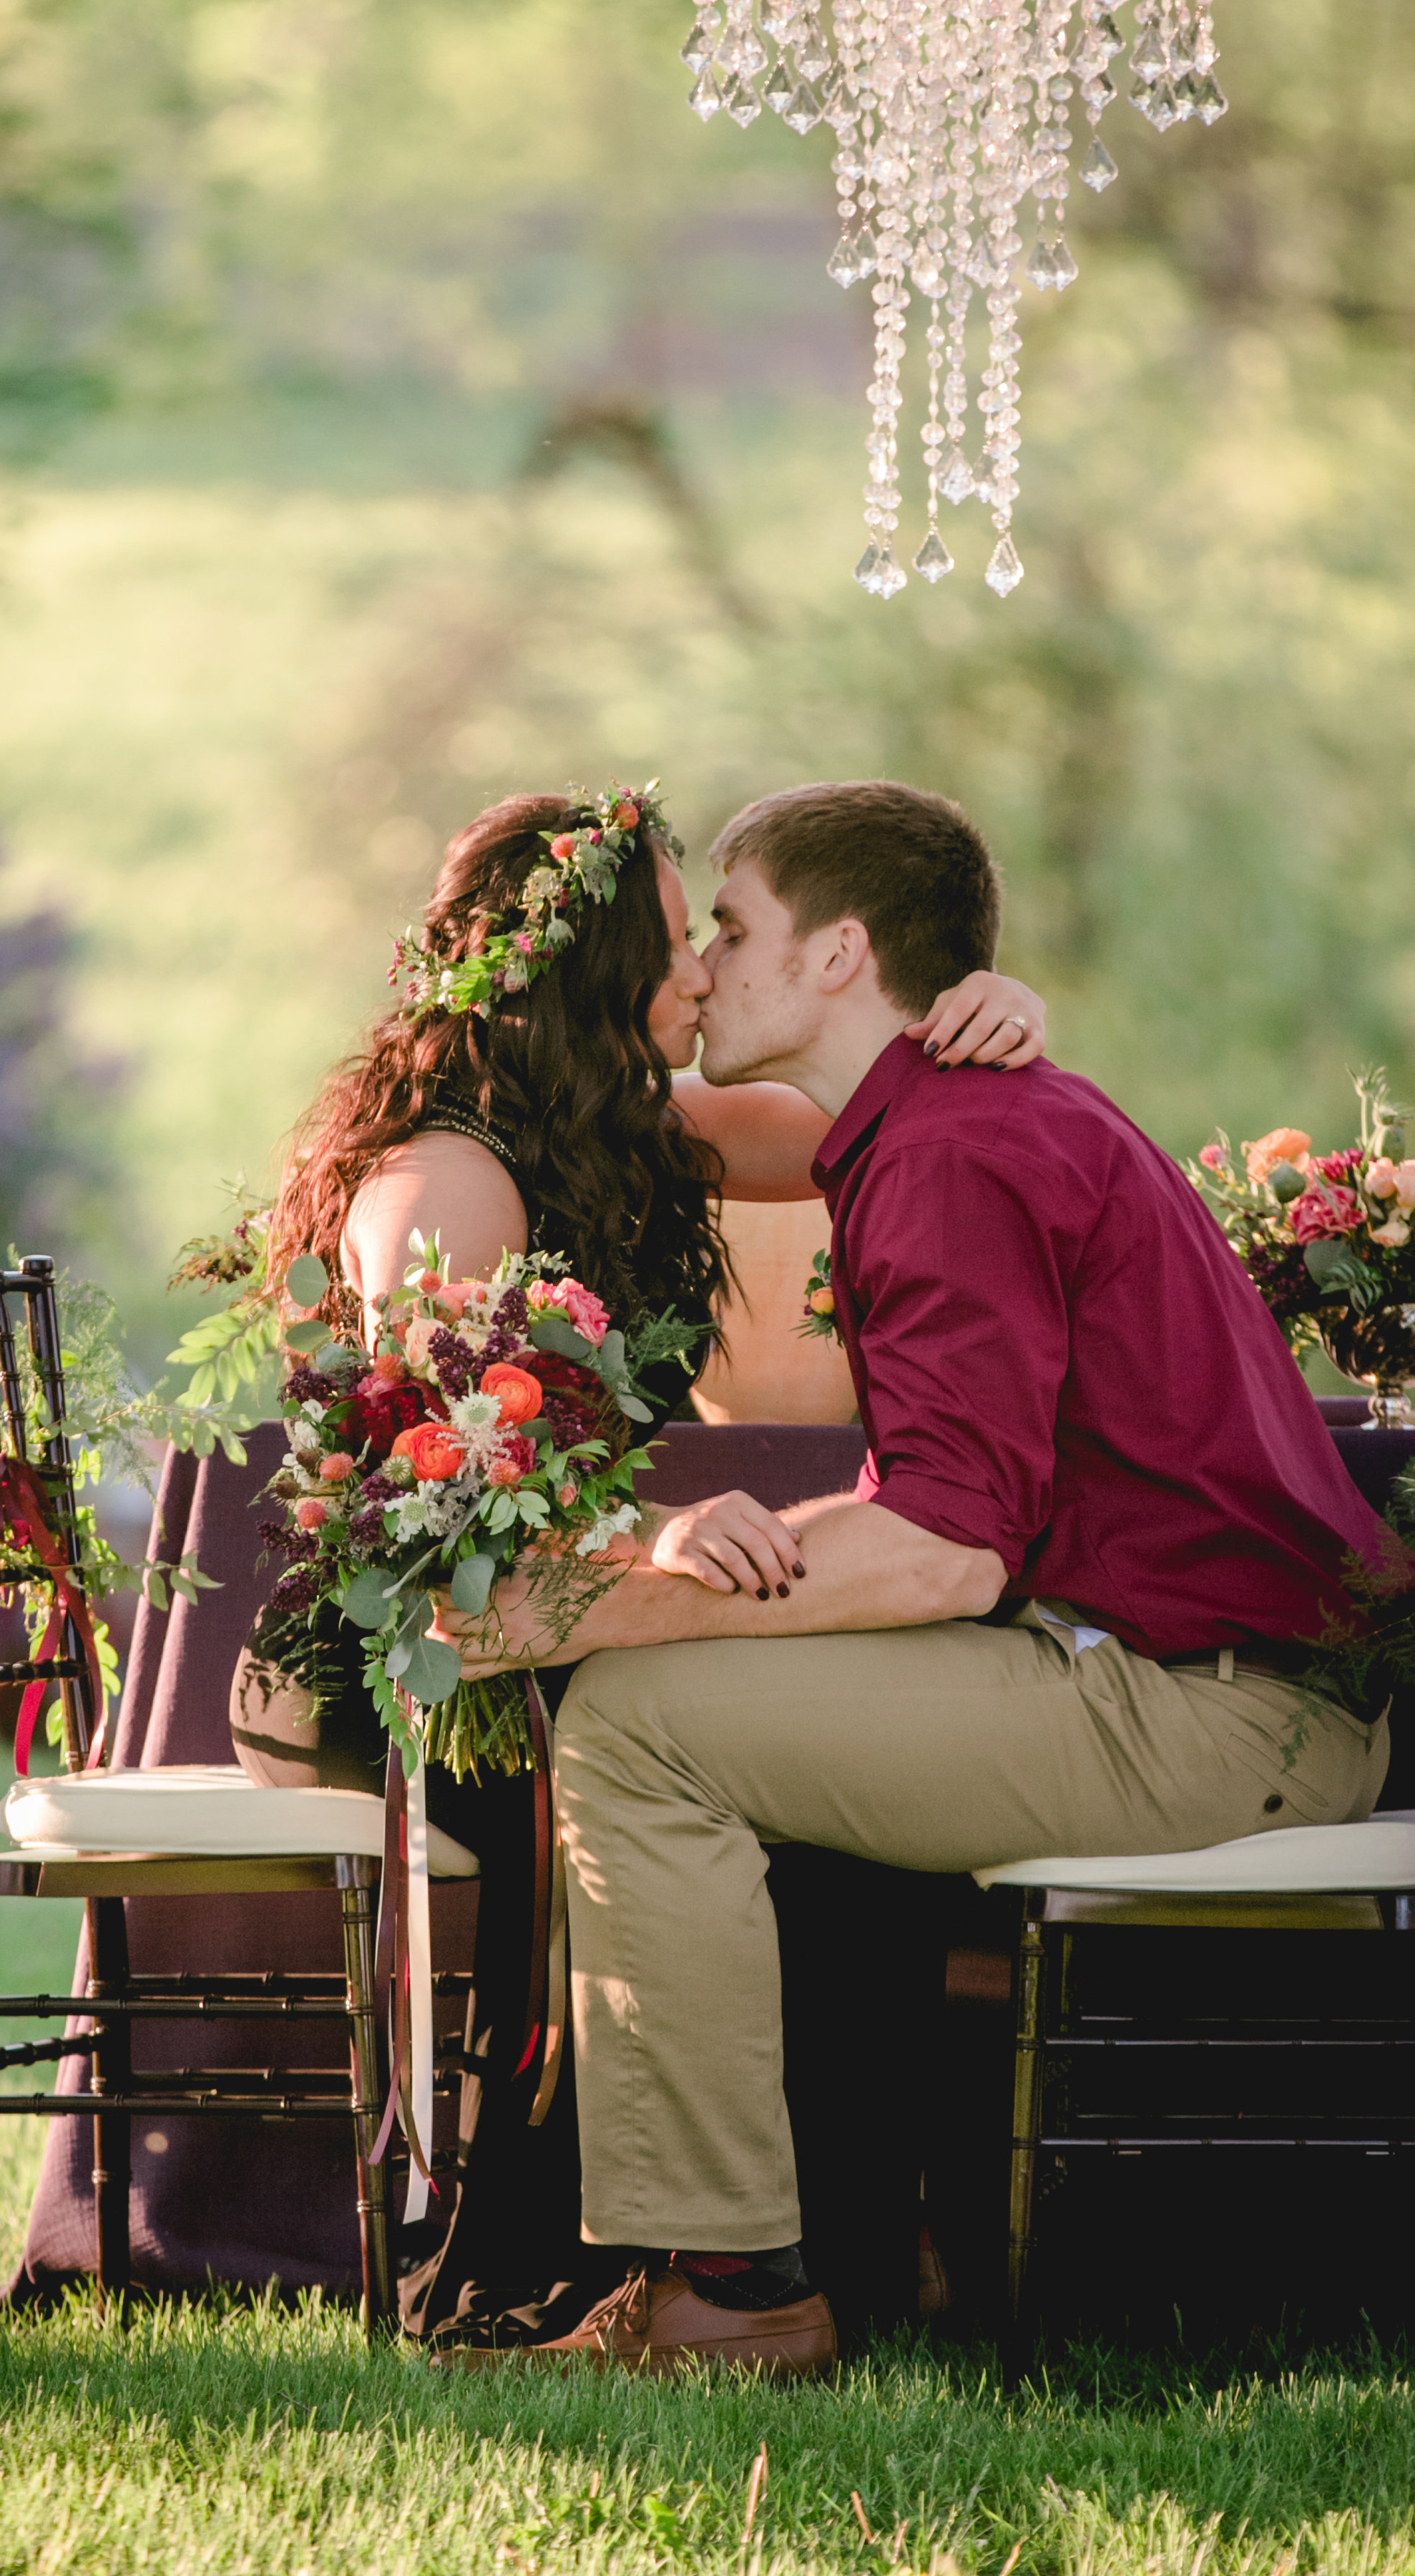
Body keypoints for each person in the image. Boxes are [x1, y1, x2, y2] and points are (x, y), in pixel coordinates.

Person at [440, 779, 1396, 2378]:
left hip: (1220, 1709)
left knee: (632, 1723)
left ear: (839, 957)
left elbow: (951, 1548)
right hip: (1191, 1684)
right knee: (662, 1703)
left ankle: (736, 2302)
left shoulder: (952, 1150)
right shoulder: (943, 1124)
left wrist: (583, 1599)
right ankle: (772, 2271)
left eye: (731, 930)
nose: (708, 969)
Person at [253, 783, 1047, 2343]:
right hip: (404, 1661)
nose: (705, 977)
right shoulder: (445, 1186)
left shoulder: (627, 1129)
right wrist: (658, 1537)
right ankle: (689, 2266)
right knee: (704, 1781)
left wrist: (983, 1006)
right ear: (597, 967)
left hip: (564, 1617)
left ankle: (842, 2252)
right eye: (684, 945)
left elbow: (856, 1115)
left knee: (809, 1763)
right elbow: (451, 1520)